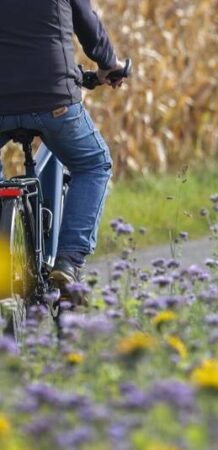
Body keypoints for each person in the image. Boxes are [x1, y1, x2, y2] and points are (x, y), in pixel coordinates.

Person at [0, 0, 125, 303]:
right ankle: (69, 262)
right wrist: (109, 65)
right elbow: (88, 25)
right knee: (94, 164)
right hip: (54, 100)